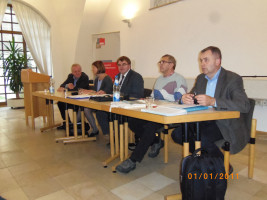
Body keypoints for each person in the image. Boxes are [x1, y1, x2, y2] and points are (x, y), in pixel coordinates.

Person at [171, 46, 250, 166]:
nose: (202, 63)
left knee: (201, 137)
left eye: (206, 60)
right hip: (202, 119)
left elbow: (244, 105)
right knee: (177, 134)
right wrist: (184, 99)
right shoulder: (201, 78)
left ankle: (222, 165)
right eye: (201, 60)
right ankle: (211, 161)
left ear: (217, 61)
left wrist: (214, 101)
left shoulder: (232, 79)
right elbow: (192, 95)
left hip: (223, 122)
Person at [116, 54, 187, 173]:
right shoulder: (159, 79)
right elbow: (153, 96)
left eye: (163, 62)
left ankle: (133, 160)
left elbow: (179, 99)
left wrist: (162, 95)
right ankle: (156, 141)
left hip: (169, 114)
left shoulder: (179, 79)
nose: (160, 64)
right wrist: (147, 100)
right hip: (155, 111)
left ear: (171, 65)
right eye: (160, 62)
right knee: (133, 121)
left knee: (150, 127)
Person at [96, 56, 144, 137]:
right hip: (118, 104)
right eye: (119, 65)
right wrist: (105, 92)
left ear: (129, 65)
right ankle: (111, 135)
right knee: (100, 113)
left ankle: (117, 138)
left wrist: (121, 96)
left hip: (129, 106)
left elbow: (137, 95)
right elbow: (114, 91)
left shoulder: (136, 77)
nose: (121, 67)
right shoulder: (117, 76)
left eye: (124, 64)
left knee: (114, 115)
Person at [80, 61, 113, 137]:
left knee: (88, 109)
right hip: (97, 102)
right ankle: (95, 129)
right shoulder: (97, 79)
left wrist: (101, 92)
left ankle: (106, 132)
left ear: (99, 68)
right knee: (86, 109)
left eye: (93, 68)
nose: (92, 70)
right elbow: (96, 91)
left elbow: (107, 92)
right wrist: (87, 91)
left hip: (104, 103)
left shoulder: (107, 79)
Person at [57, 64, 90, 130]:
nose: (77, 73)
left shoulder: (84, 77)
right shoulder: (70, 76)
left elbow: (78, 89)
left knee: (77, 105)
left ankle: (78, 124)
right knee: (60, 103)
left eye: (79, 71)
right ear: (72, 72)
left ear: (81, 71)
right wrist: (66, 86)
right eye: (75, 71)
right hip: (72, 99)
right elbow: (62, 85)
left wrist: (67, 88)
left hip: (82, 101)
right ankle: (68, 123)